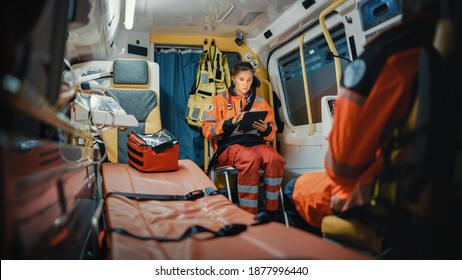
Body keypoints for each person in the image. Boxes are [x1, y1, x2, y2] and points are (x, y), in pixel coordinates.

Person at [283, 0, 439, 232]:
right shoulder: (443, 53)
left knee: (293, 189)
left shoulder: (386, 60)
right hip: (439, 192)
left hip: (386, 193)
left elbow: (342, 170)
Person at [202, 61, 286, 217]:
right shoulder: (220, 100)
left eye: (249, 79)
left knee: (275, 158)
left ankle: (272, 211)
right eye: (241, 79)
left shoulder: (260, 101)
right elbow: (207, 129)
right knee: (250, 159)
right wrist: (229, 123)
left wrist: (265, 129)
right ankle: (249, 215)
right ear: (233, 79)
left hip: (255, 142)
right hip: (229, 146)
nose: (246, 84)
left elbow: (272, 129)